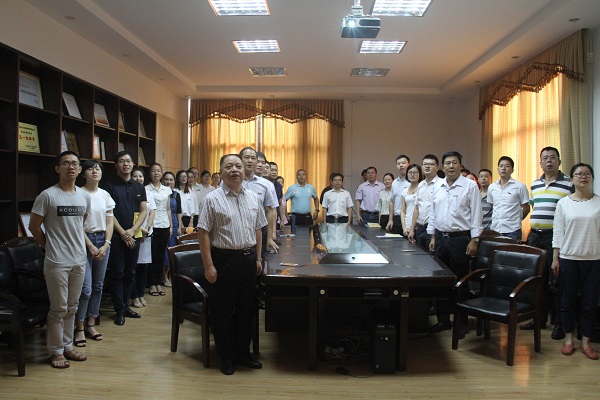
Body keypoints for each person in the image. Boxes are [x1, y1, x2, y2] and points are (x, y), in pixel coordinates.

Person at [198, 154, 267, 375]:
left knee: (247, 309)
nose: (235, 170)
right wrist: (209, 266)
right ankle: (226, 357)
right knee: (223, 311)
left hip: (248, 260)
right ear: (221, 171)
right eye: (229, 166)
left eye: (238, 166)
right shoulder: (212, 199)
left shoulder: (253, 197)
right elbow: (203, 233)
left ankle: (243, 353)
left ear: (244, 170)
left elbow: (258, 229)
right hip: (224, 260)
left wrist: (258, 258)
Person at [29, 151, 90, 368]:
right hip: (56, 261)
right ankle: (55, 352)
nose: (70, 167)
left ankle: (68, 346)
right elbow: (34, 226)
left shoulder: (84, 196)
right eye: (65, 163)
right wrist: (47, 246)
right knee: (58, 308)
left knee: (72, 306)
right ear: (58, 168)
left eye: (74, 163)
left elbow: (81, 223)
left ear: (80, 169)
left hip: (79, 259)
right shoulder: (48, 195)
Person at [427, 151, 482, 338]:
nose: (451, 166)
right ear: (442, 167)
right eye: (447, 163)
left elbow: (476, 214)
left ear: (460, 165)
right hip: (440, 239)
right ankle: (443, 320)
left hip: (460, 240)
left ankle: (461, 322)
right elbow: (433, 213)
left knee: (460, 282)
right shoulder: (438, 185)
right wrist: (433, 237)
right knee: (440, 282)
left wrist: (474, 239)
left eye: (454, 163)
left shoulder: (470, 186)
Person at [520, 146, 572, 339]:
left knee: (556, 281)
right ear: (540, 162)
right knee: (537, 279)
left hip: (555, 238)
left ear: (559, 161)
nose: (549, 161)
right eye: (545, 158)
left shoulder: (569, 183)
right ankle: (539, 319)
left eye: (552, 157)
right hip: (535, 236)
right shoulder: (535, 184)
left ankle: (559, 324)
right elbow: (534, 208)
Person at [552, 163, 600, 360]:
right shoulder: (563, 203)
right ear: (571, 179)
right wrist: (555, 258)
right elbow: (558, 233)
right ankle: (568, 339)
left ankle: (586, 342)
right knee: (567, 301)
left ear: (592, 178)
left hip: (594, 259)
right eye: (579, 174)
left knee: (590, 302)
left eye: (587, 174)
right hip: (568, 259)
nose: (583, 177)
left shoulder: (598, 202)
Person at [103, 151, 148, 326]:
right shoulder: (109, 186)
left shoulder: (139, 186)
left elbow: (143, 211)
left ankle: (126, 306)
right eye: (121, 161)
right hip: (115, 236)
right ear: (116, 165)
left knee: (130, 272)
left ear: (133, 164)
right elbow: (109, 213)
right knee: (117, 273)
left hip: (133, 234)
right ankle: (119, 310)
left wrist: (132, 230)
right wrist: (123, 233)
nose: (126, 164)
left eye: (128, 161)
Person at [74, 160, 115, 348]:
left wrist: (106, 244)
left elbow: (109, 222)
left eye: (97, 168)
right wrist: (90, 245)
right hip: (84, 241)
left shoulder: (105, 194)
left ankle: (91, 323)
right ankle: (79, 327)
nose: (94, 171)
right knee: (86, 289)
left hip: (103, 240)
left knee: (98, 286)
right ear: (83, 173)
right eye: (90, 168)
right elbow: (77, 225)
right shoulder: (77, 193)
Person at [487, 156, 530, 240]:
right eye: (501, 166)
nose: (503, 168)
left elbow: (526, 208)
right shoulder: (492, 187)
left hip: (513, 230)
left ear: (512, 170)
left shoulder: (520, 186)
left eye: (507, 166)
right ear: (498, 169)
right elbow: (492, 206)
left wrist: (517, 220)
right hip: (495, 229)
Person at [131, 168, 156, 304]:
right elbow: (129, 214)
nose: (138, 179)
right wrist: (140, 230)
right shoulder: (130, 192)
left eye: (140, 176)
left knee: (144, 266)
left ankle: (141, 294)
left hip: (147, 232)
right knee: (133, 266)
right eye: (135, 176)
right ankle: (134, 296)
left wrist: (148, 228)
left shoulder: (148, 193)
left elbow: (152, 212)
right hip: (134, 232)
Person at [146, 163, 173, 290]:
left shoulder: (167, 189)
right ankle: (152, 284)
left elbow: (168, 209)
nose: (156, 173)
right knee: (152, 255)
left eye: (158, 171)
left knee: (161, 256)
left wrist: (171, 226)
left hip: (164, 225)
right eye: (153, 171)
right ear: (150, 173)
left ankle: (159, 282)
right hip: (152, 225)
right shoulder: (146, 189)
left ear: (161, 173)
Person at [408, 154, 440, 250]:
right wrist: (412, 229)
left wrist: (433, 235)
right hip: (419, 228)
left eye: (431, 164)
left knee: (431, 256)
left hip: (432, 229)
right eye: (425, 164)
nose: (427, 166)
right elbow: (417, 208)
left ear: (437, 167)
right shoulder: (421, 185)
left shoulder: (441, 184)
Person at [162, 171, 182, 278]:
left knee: (172, 248)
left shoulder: (176, 195)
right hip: (162, 222)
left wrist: (179, 227)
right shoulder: (160, 193)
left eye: (171, 180)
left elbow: (179, 212)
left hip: (174, 223)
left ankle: (169, 274)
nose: (168, 182)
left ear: (174, 181)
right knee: (163, 249)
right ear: (162, 180)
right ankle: (163, 275)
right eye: (166, 179)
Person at [387, 155, 411, 234]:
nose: (401, 165)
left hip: (408, 219)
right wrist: (390, 220)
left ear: (409, 164)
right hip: (396, 218)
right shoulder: (394, 182)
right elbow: (391, 201)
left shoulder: (411, 182)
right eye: (398, 164)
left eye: (403, 163)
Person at [401, 164, 422, 237]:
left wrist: (412, 228)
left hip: (418, 226)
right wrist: (404, 227)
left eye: (415, 172)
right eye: (410, 172)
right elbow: (402, 211)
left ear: (420, 174)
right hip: (407, 225)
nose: (412, 175)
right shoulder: (405, 191)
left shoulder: (422, 189)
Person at [174, 169, 197, 234]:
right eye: (181, 176)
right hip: (179, 218)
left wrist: (191, 221)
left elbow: (193, 208)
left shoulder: (190, 191)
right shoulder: (175, 191)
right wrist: (180, 223)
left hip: (189, 219)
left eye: (185, 176)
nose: (183, 178)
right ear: (178, 179)